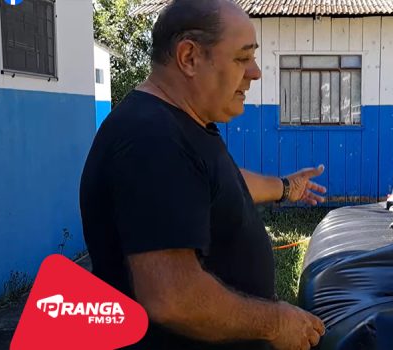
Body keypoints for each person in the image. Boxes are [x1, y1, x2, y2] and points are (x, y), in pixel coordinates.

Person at [79, 0, 327, 349]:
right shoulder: (152, 140)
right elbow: (173, 297)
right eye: (243, 58)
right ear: (189, 57)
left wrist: (287, 188)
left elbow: (218, 185)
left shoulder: (183, 126)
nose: (255, 72)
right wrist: (275, 322)